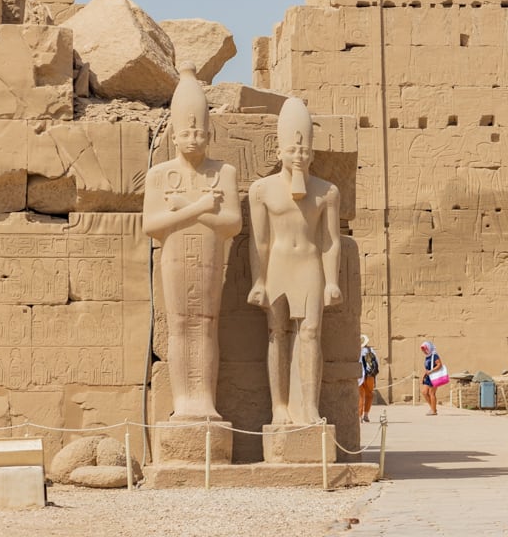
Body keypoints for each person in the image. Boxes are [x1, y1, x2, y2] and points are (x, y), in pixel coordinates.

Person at [142, 63, 242, 421]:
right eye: (186, 132)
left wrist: (187, 207)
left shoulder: (223, 172)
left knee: (207, 323)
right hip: (175, 257)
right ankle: (185, 400)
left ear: (210, 133)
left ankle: (205, 400)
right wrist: (199, 206)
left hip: (210, 256)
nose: (193, 139)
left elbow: (231, 223)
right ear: (173, 134)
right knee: (181, 324)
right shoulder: (159, 174)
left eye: (200, 132)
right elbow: (152, 224)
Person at [248, 97, 342, 425]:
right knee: (277, 333)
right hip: (277, 267)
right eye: (292, 151)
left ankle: (310, 408)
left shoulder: (326, 192)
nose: (298, 156)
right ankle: (279, 408)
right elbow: (259, 241)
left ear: (312, 153)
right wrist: (258, 281)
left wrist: (332, 281)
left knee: (311, 333)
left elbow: (330, 241)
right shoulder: (261, 190)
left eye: (304, 151)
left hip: (310, 266)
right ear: (280, 152)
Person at [359, 334, 378, 422]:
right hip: (369, 376)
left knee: (360, 396)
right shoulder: (371, 350)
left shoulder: (357, 351)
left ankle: (359, 416)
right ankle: (366, 415)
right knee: (369, 395)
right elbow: (376, 364)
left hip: (359, 376)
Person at [421, 340, 442, 416]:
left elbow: (439, 365)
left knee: (431, 393)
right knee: (424, 392)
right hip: (428, 376)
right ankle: (433, 408)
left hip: (435, 376)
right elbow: (428, 367)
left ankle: (433, 410)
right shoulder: (427, 357)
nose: (424, 351)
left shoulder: (434, 355)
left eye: (425, 349)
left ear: (429, 348)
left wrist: (431, 371)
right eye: (423, 350)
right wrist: (424, 374)